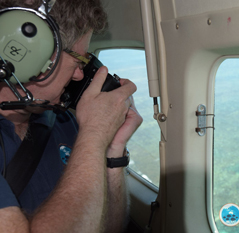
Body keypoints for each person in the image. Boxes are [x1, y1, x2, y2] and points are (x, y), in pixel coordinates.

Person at [0, 0, 143, 232]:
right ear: (28, 53)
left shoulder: (62, 121)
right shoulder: (85, 130)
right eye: (79, 61)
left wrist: (112, 149)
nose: (79, 75)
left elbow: (110, 226)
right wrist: (95, 134)